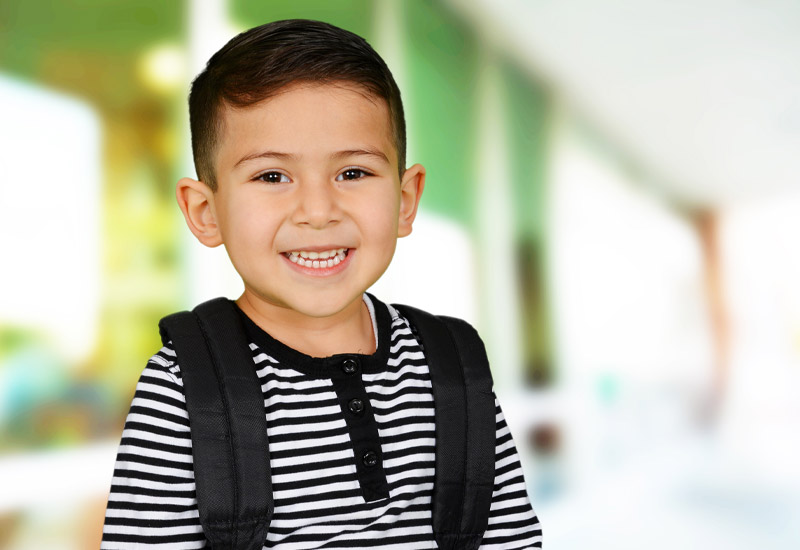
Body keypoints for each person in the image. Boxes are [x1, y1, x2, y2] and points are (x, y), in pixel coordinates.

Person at [101, 19, 542, 549]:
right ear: (205, 211)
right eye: (272, 176)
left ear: (405, 200)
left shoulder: (452, 365)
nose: (317, 212)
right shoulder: (184, 388)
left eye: (353, 173)